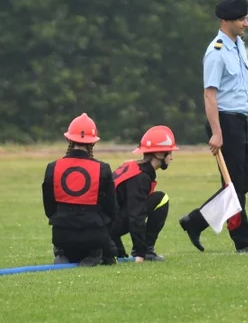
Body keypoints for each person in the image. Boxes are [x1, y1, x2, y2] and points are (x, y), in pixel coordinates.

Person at [178, 0, 248, 254]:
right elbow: (210, 94)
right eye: (242, 19)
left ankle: (195, 221)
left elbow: (233, 83)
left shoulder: (238, 44)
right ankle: (243, 242)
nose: (246, 23)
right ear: (226, 20)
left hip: (240, 121)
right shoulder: (216, 52)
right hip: (225, 122)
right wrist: (217, 133)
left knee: (243, 183)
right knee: (234, 186)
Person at [41, 113, 119, 266]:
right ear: (93, 143)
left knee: (66, 249)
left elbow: (49, 207)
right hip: (94, 235)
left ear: (68, 139)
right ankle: (94, 255)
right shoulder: (103, 168)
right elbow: (111, 209)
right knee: (111, 253)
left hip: (61, 235)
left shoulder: (52, 167)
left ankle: (62, 253)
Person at [109, 125, 180, 262]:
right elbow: (135, 216)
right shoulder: (141, 177)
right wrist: (140, 254)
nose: (172, 157)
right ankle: (147, 251)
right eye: (170, 152)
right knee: (161, 198)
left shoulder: (132, 167)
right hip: (108, 227)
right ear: (159, 154)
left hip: (104, 225)